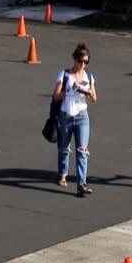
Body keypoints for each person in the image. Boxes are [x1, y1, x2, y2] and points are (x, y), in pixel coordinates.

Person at [52, 43, 97, 197]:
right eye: (80, 61)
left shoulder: (89, 76)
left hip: (82, 116)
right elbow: (56, 96)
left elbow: (94, 99)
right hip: (66, 115)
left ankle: (81, 184)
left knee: (82, 150)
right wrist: (69, 90)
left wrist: (89, 92)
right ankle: (62, 174)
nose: (83, 65)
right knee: (64, 147)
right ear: (74, 59)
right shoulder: (64, 74)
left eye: (86, 62)